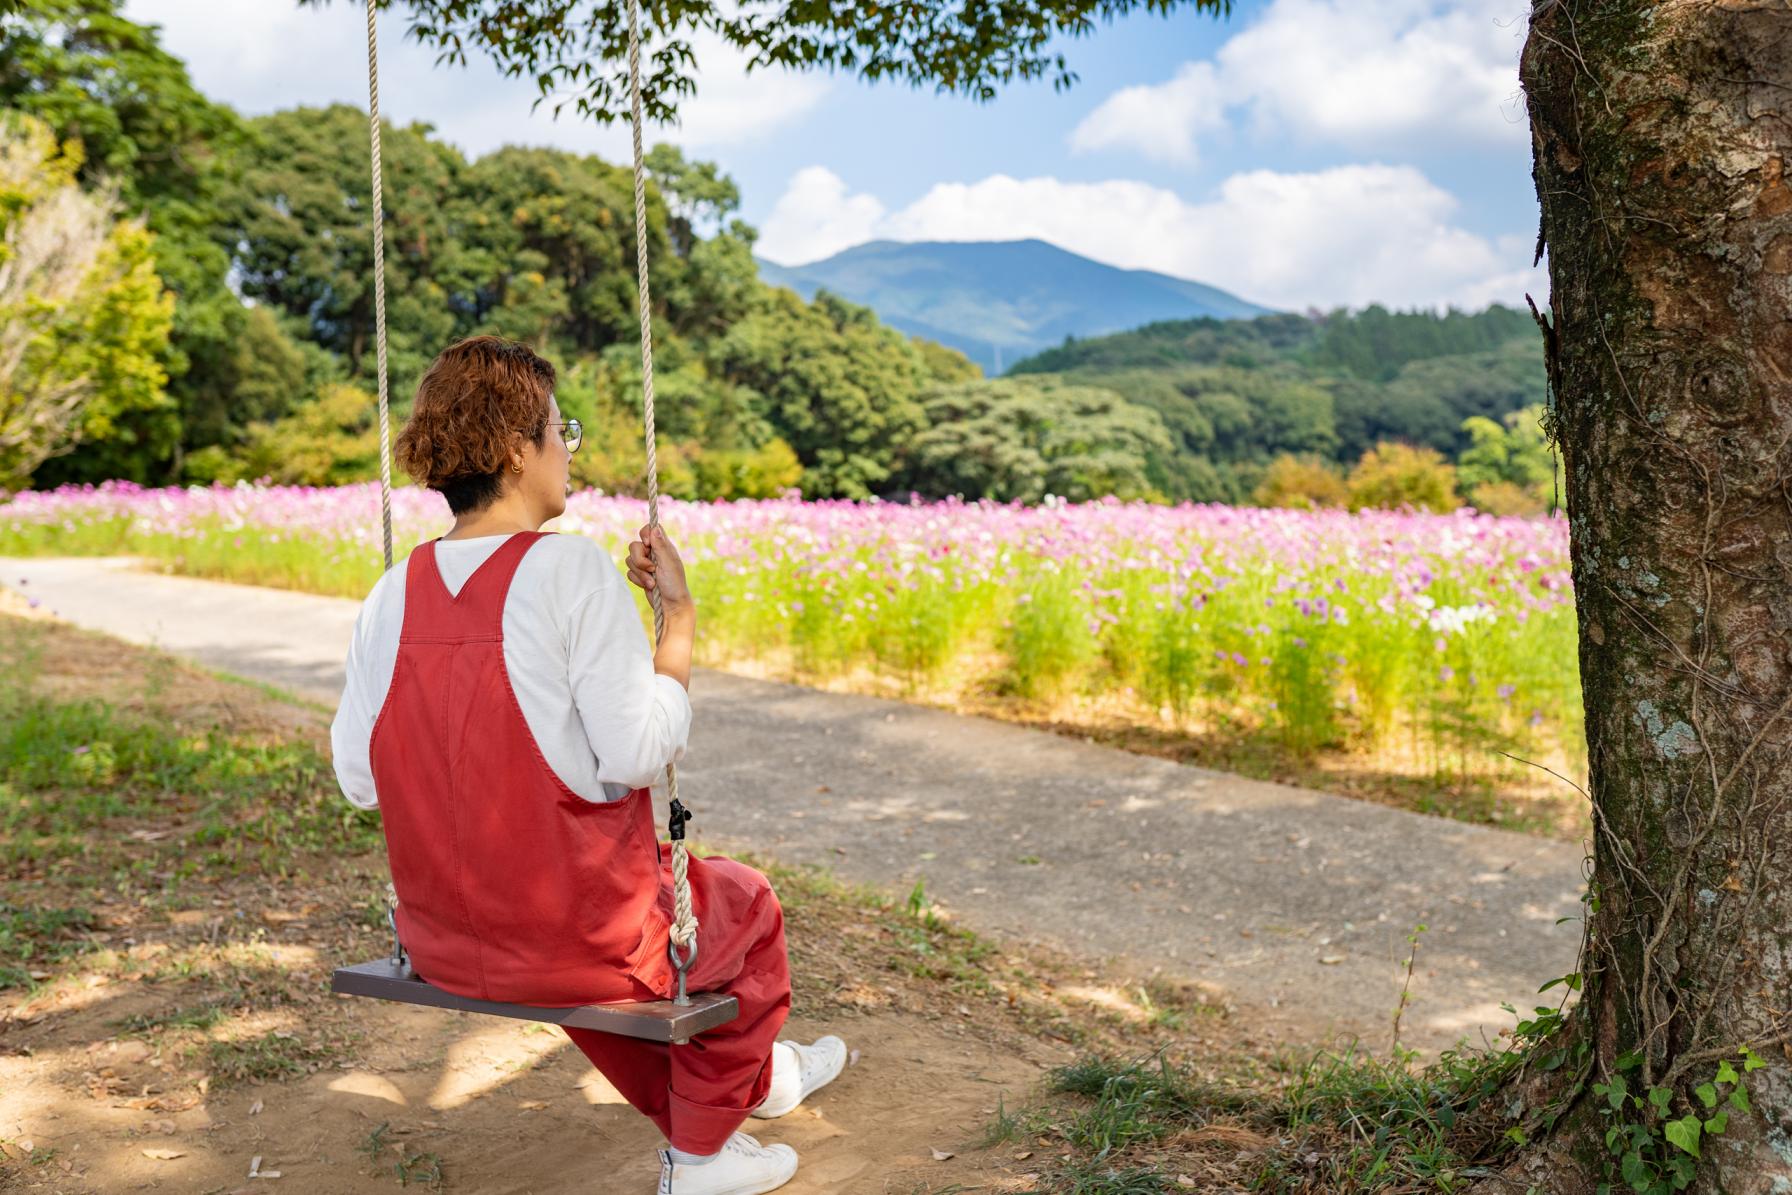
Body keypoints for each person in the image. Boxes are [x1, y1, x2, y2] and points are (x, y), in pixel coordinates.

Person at [329, 335, 846, 1194]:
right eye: (558, 430)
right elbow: (639, 750)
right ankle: (702, 1154)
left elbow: (358, 777)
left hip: (448, 943)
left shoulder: (392, 593)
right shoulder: (567, 569)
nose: (570, 448)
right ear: (513, 448)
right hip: (577, 939)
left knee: (593, 952)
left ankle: (766, 1080)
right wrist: (675, 621)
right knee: (745, 907)